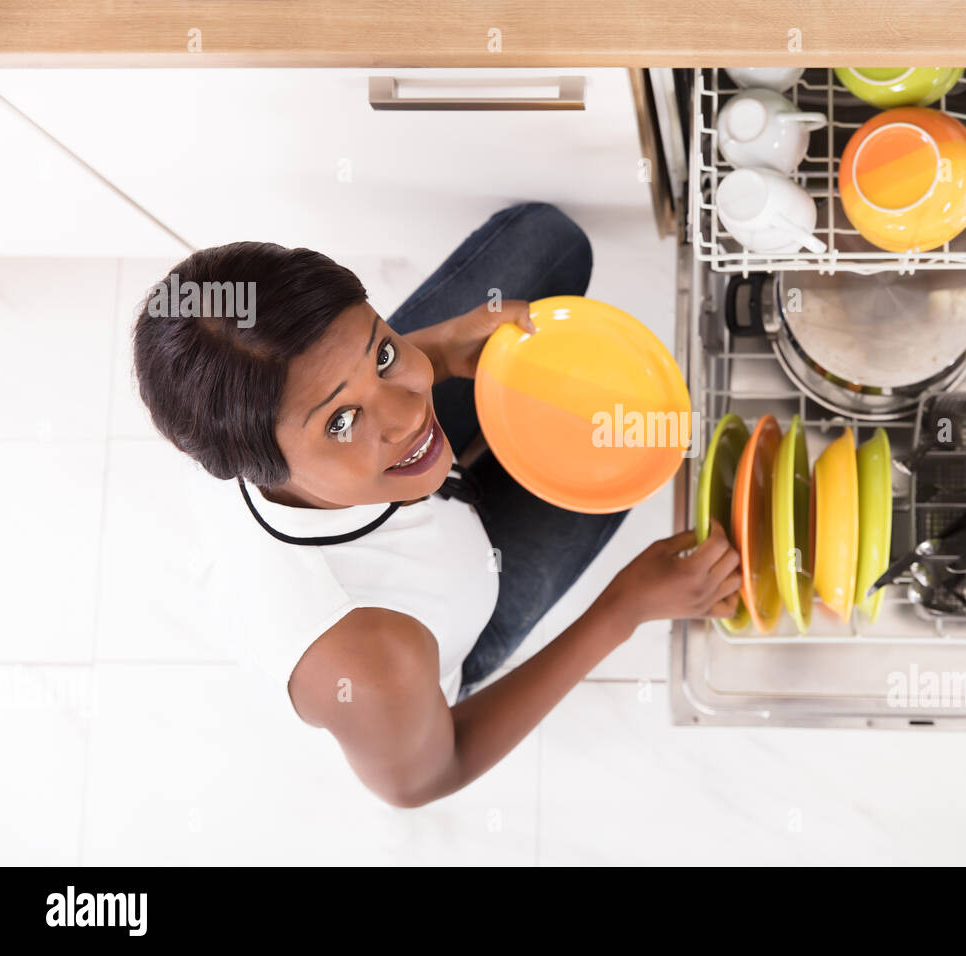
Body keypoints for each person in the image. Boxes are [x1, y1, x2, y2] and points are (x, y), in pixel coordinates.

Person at [132, 201, 741, 808]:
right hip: (456, 619)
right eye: (342, 419)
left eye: (383, 352)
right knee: (640, 440)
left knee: (549, 241)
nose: (410, 409)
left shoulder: (249, 414)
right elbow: (426, 778)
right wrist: (625, 607)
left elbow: (379, 391)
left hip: (399, 499)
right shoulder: (368, 658)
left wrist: (442, 351)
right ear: (256, 465)